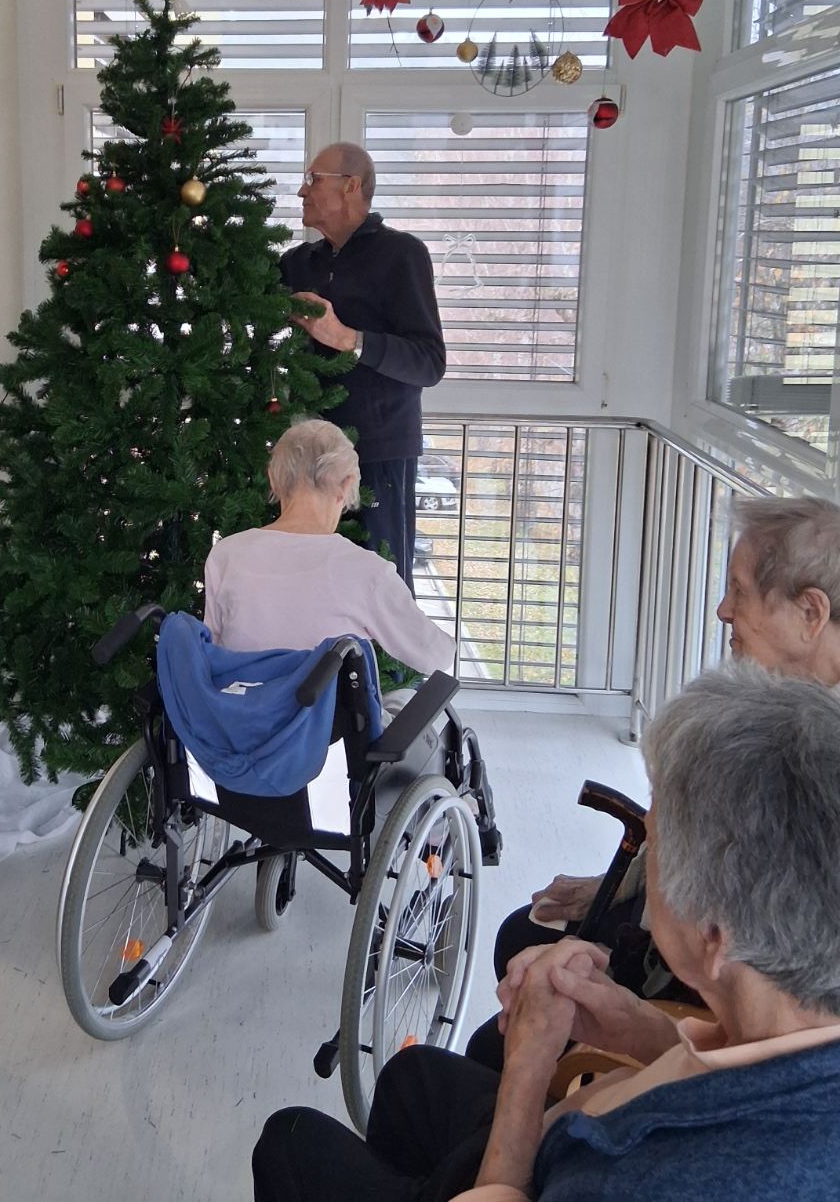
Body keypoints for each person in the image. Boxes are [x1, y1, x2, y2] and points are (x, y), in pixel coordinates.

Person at [252, 661, 840, 1200]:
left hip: (535, 1171)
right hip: (582, 1124)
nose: (644, 861)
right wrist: (640, 1029)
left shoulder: (643, 1178)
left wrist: (529, 1068)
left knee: (288, 1140)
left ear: (715, 935)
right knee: (411, 1078)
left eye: (657, 847)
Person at [464, 491, 840, 1070]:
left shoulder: (815, 760)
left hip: (724, 989)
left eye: (739, 590)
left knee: (493, 1039)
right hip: (699, 938)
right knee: (521, 936)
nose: (723, 611)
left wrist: (640, 1028)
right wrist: (621, 882)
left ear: (810, 614)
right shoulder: (775, 704)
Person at [281, 144, 446, 593]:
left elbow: (430, 363)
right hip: (306, 451)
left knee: (378, 585)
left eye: (313, 179)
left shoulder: (403, 255)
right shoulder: (299, 264)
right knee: (309, 586)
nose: (302, 191)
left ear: (351, 186)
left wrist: (348, 339)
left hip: (377, 453)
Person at [204, 417, 454, 679]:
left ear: (274, 480)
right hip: (324, 707)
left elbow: (211, 652)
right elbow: (436, 656)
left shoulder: (226, 554)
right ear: (346, 485)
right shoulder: (367, 572)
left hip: (237, 703)